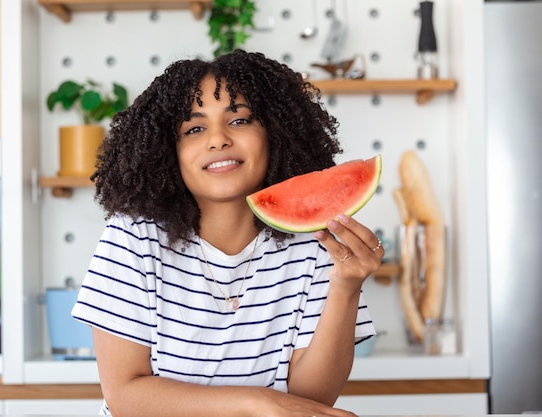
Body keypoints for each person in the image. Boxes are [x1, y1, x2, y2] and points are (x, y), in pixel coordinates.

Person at [72, 49, 383, 417]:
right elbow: (125, 395)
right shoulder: (132, 237)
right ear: (168, 151)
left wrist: (346, 287)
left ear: (276, 134)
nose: (217, 139)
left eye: (239, 121)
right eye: (195, 128)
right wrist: (256, 401)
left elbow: (310, 399)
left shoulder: (315, 243)